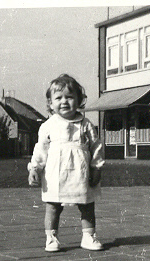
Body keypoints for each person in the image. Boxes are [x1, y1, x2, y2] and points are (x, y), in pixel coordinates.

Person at [28, 74, 104, 252]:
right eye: (58, 98)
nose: (64, 101)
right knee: (53, 206)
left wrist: (96, 167)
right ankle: (51, 237)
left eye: (70, 97)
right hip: (55, 173)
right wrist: (34, 168)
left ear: (79, 101)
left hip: (81, 172)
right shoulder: (48, 125)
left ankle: (88, 236)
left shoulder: (85, 124)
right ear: (50, 103)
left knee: (87, 205)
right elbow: (41, 149)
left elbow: (96, 146)